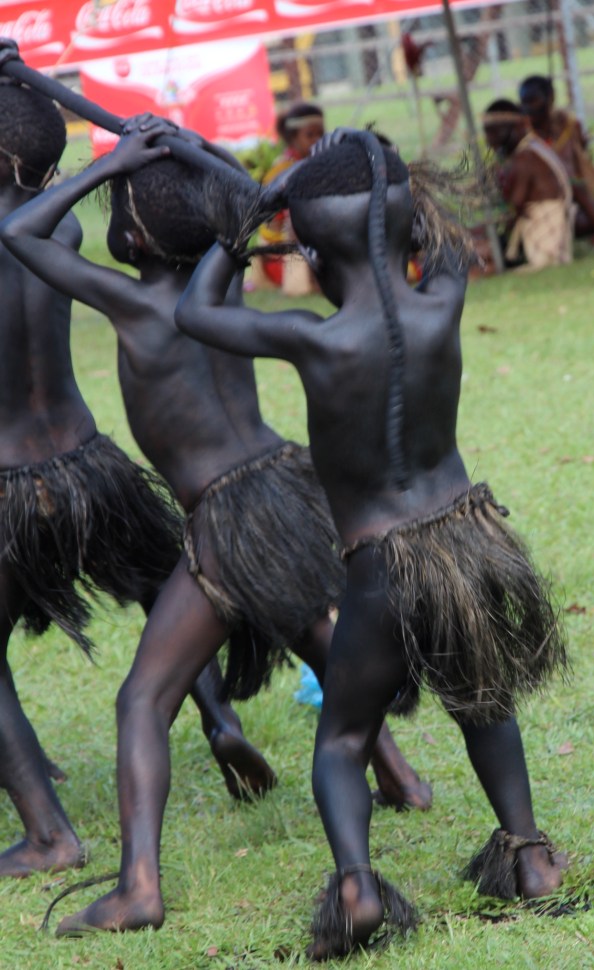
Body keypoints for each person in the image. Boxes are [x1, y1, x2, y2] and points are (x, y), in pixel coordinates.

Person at [0, 114, 430, 933]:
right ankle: (400, 777)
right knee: (310, 627)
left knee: (142, 700)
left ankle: (139, 888)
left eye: (122, 209)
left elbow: (21, 232)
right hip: (283, 483)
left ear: (136, 237)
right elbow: (243, 197)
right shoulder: (217, 280)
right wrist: (193, 151)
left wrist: (111, 165)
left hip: (226, 514)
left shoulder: (134, 301)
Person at [174, 128, 568, 959]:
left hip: (381, 564)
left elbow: (195, 313)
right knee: (484, 704)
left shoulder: (313, 337)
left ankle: (356, 888)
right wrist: (378, 186)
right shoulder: (443, 298)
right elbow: (440, 236)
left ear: (313, 253)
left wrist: (250, 220)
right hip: (467, 543)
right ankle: (531, 859)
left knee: (345, 739)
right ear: (403, 225)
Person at [0, 42, 278, 880]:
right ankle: (220, 719)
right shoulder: (64, 224)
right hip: (89, 463)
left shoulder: (42, 228)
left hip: (7, 485)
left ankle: (49, 835)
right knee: (166, 586)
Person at [482, 98, 574, 270]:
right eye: (487, 133)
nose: (489, 140)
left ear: (516, 127)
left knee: (483, 259)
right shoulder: (534, 147)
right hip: (550, 234)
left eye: (494, 133)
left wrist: (492, 237)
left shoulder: (525, 157)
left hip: (546, 245)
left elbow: (514, 205)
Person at [254, 101, 324, 296]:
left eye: (321, 134)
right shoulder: (282, 170)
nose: (317, 140)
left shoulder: (320, 164)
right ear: (292, 138)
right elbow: (274, 227)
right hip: (282, 258)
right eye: (310, 135)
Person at [519, 74, 594, 238]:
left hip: (582, 195)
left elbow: (581, 159)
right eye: (524, 102)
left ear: (550, 98)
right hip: (551, 206)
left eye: (533, 101)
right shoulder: (525, 140)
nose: (529, 108)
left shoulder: (569, 125)